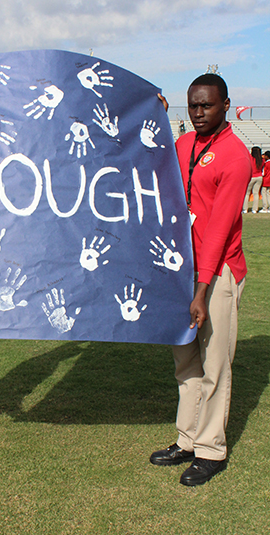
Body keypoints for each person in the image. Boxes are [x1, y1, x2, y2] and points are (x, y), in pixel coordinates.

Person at [150, 74, 251, 486]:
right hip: (182, 270)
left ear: (226, 105)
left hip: (217, 272)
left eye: (207, 106)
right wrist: (154, 117)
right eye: (193, 106)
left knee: (213, 364)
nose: (198, 113)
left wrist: (202, 289)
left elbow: (220, 230)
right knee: (185, 360)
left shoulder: (236, 156)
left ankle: (211, 449)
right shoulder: (184, 143)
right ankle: (187, 438)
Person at [242, 146, 264, 213]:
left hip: (252, 177)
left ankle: (245, 209)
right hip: (259, 177)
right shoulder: (261, 160)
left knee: (247, 193)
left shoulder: (250, 158)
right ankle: (255, 209)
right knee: (256, 193)